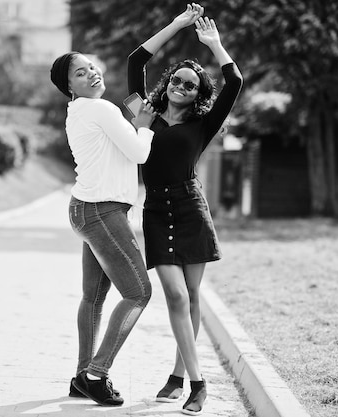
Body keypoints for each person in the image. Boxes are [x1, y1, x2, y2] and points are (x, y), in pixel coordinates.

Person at [128, 4, 243, 415]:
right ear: (168, 83)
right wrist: (177, 25)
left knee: (191, 295)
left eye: (190, 85)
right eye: (176, 79)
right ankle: (198, 383)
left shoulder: (203, 124)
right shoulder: (145, 113)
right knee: (175, 295)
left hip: (191, 209)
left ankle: (179, 376)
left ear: (199, 95)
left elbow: (235, 80)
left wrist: (214, 44)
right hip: (157, 211)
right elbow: (136, 59)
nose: (180, 86)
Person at [50, 52, 157, 406]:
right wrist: (144, 123)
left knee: (93, 297)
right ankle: (97, 374)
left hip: (84, 209)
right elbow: (140, 153)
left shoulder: (78, 112)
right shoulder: (101, 109)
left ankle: (82, 376)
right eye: (80, 74)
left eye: (92, 67)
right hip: (102, 211)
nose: (92, 74)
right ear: (69, 87)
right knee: (139, 292)